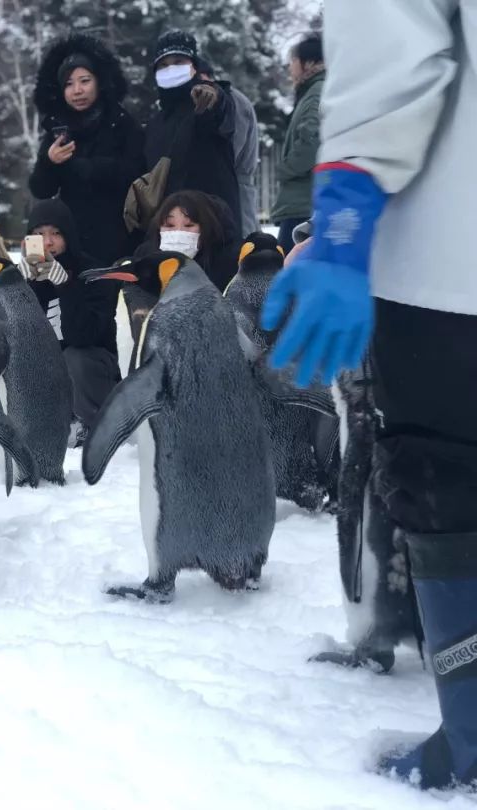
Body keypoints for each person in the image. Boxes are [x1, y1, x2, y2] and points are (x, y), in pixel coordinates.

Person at [262, 2, 477, 792]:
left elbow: (394, 55)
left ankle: (475, 738)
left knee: (446, 481)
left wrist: (343, 228)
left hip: (453, 267)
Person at [28, 34, 146, 264]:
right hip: (70, 239)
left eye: (84, 80)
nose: (77, 90)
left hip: (118, 234)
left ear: (99, 82)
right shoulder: (57, 128)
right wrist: (49, 162)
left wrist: (89, 168)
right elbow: (40, 189)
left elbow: (137, 172)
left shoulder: (122, 122)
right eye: (69, 84)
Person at [21, 199, 119, 439]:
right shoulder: (27, 278)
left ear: (69, 235)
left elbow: (83, 335)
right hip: (49, 379)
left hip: (92, 374)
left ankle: (92, 425)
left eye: (56, 233)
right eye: (39, 234)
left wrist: (64, 284)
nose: (47, 243)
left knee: (74, 357)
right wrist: (20, 288)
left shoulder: (94, 274)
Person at [145, 30, 240, 233]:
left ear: (194, 66)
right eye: (163, 65)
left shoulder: (205, 102)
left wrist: (213, 97)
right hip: (169, 229)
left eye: (179, 62)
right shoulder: (155, 122)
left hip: (214, 227)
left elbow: (219, 112)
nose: (170, 69)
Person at [270, 34, 325, 254]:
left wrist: (285, 169)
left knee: (291, 272)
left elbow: (311, 142)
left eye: (292, 61)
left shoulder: (316, 93)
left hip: (303, 204)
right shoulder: (312, 92)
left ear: (308, 63)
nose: (290, 68)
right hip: (304, 202)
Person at [199, 59, 260, 239]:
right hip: (228, 187)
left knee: (242, 244)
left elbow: (231, 149)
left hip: (236, 187)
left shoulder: (231, 101)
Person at [145, 190, 241, 291]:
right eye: (169, 225)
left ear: (207, 228)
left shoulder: (231, 265)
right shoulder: (145, 260)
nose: (178, 233)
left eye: (189, 225)